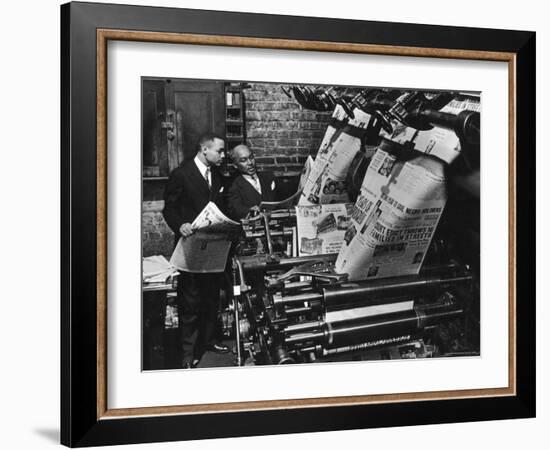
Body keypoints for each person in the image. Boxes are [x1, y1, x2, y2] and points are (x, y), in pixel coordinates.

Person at [162, 133, 230, 369]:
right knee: (189, 302)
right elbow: (169, 209)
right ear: (204, 149)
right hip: (189, 247)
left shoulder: (219, 176)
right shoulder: (181, 174)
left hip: (213, 248)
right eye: (219, 151)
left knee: (211, 298)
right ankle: (187, 354)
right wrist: (179, 224)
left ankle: (209, 341)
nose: (223, 155)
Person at [227, 144, 276, 220]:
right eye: (243, 160)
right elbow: (236, 210)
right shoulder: (233, 186)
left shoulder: (269, 177)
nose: (250, 163)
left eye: (251, 157)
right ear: (235, 165)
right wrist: (249, 212)